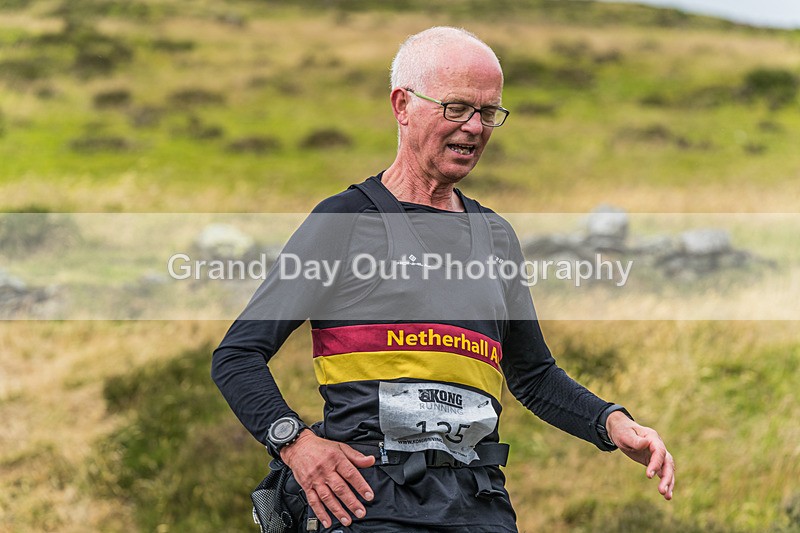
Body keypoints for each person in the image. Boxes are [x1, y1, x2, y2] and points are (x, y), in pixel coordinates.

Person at [212, 26, 675, 532]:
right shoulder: (343, 222)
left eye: (489, 112)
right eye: (456, 108)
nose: (475, 127)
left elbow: (534, 374)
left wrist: (613, 424)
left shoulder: (497, 237)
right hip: (368, 507)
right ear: (402, 105)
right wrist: (296, 444)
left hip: (480, 507)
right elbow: (237, 356)